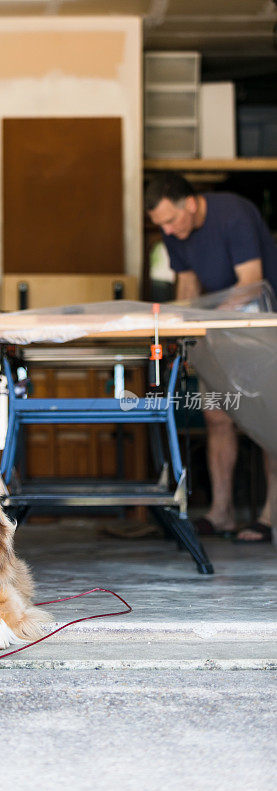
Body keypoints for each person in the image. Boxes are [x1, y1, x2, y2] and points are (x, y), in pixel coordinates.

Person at [145, 172, 277, 543]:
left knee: (267, 422)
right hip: (217, 332)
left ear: (190, 203)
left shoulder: (232, 214)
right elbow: (187, 286)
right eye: (161, 226)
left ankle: (270, 517)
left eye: (171, 220)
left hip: (261, 330)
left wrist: (204, 316)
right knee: (217, 415)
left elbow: (251, 282)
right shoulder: (175, 234)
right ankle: (221, 513)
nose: (168, 231)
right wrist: (184, 336)